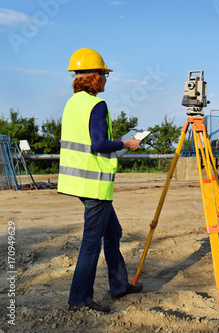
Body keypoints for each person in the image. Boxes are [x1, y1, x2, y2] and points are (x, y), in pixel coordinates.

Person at [58, 48, 143, 313]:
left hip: (80, 182)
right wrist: (126, 143)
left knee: (113, 232)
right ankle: (80, 299)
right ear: (95, 76)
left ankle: (119, 286)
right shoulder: (97, 105)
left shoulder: (73, 103)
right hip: (95, 185)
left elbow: (85, 143)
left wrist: (117, 145)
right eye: (104, 74)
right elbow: (98, 144)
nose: (106, 79)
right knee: (91, 243)